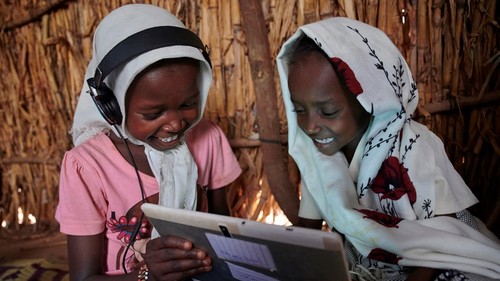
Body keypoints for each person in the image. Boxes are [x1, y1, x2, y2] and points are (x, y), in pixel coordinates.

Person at [276, 17, 500, 281]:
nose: (311, 126)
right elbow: (308, 233)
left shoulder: (415, 146)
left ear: (370, 101)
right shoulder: (318, 161)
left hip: (443, 263)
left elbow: (444, 243)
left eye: (328, 111)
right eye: (299, 110)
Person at [55, 4, 242, 281]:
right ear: (112, 106)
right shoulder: (87, 166)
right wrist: (147, 276)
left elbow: (221, 230)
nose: (176, 124)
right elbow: (82, 278)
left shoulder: (209, 138)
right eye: (153, 113)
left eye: (189, 104)